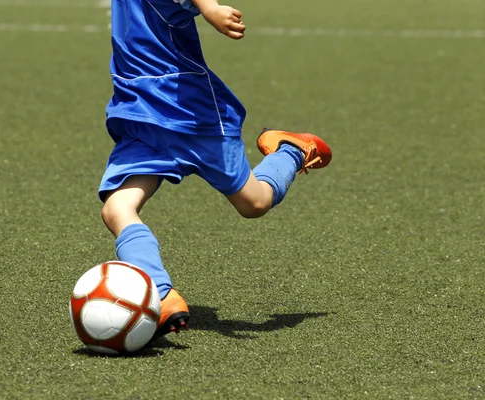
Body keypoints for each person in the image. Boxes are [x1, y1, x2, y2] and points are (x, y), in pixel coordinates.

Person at [98, 0, 332, 340]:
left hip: (191, 115)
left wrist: (210, 8)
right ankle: (160, 294)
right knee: (116, 209)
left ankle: (291, 150)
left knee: (255, 203)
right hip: (139, 117)